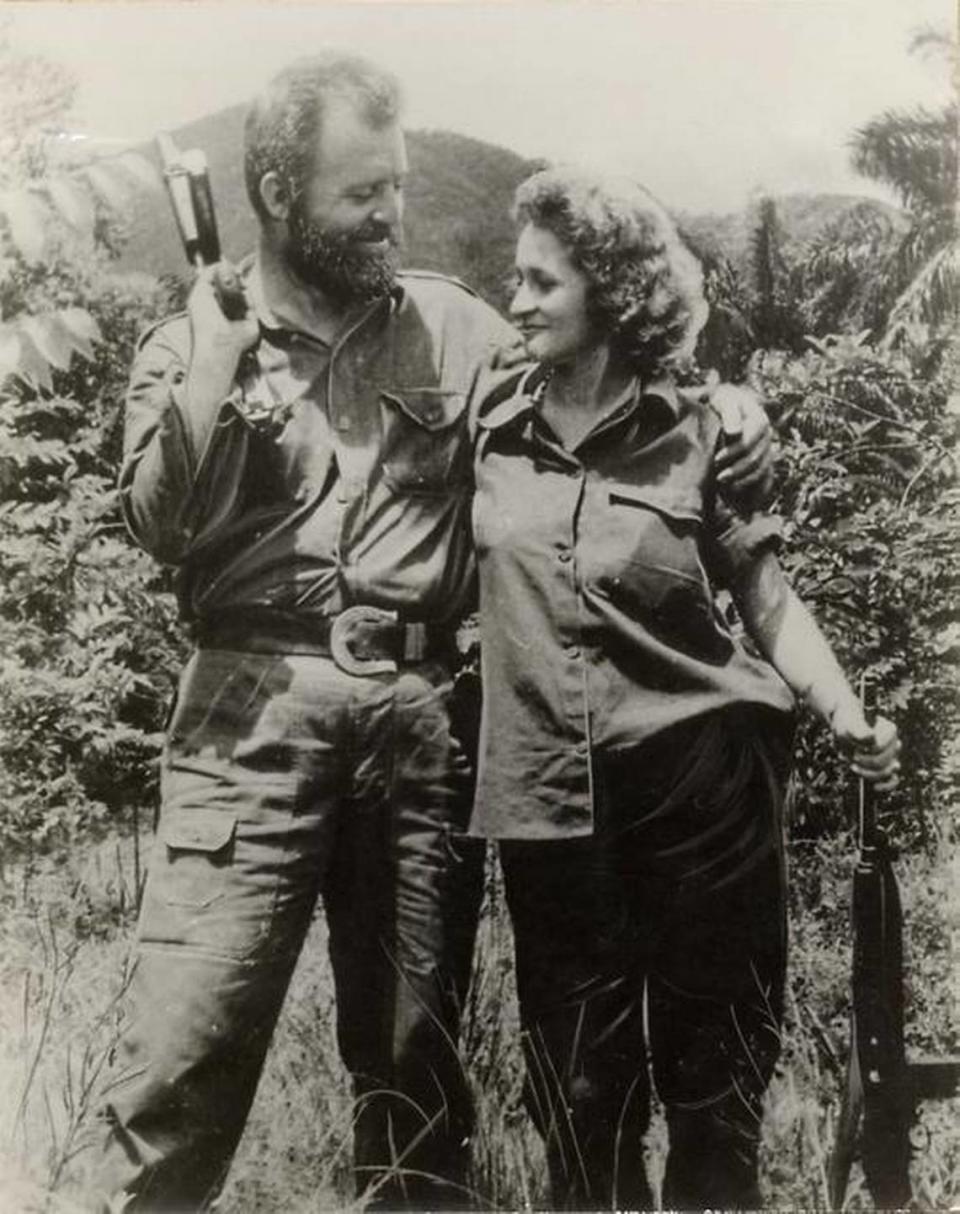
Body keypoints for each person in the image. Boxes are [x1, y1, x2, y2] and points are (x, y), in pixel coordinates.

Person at [94, 54, 775, 1212]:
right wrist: (214, 362)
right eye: (362, 192)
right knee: (178, 1065)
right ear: (274, 190)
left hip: (421, 731)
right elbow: (159, 523)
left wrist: (720, 400)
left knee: (416, 1079)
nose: (391, 215)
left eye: (398, 187)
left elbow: (602, 379)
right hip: (245, 721)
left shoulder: (456, 329)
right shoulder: (188, 339)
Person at [468, 167, 901, 1211]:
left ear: (610, 295)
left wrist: (848, 716)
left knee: (715, 1092)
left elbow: (766, 597)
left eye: (541, 281)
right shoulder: (485, 422)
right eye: (515, 278)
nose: (516, 299)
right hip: (547, 802)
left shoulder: (703, 432)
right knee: (575, 1100)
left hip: (701, 790)